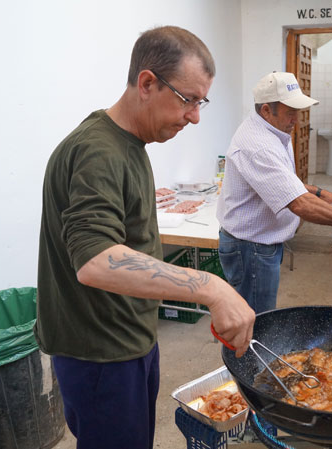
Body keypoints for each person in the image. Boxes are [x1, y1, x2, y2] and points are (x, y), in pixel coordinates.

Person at [34, 26, 255, 449]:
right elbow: (95, 259)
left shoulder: (129, 144)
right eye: (188, 100)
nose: (194, 116)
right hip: (101, 353)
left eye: (200, 102)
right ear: (147, 83)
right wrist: (210, 287)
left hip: (126, 339)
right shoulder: (98, 151)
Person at [216, 72, 332, 314]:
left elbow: (282, 181)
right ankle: (247, 353)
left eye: (298, 110)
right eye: (290, 111)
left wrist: (319, 192)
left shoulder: (275, 130)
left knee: (258, 316)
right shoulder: (259, 145)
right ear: (266, 110)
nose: (297, 118)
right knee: (253, 321)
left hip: (261, 244)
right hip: (250, 248)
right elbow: (299, 205)